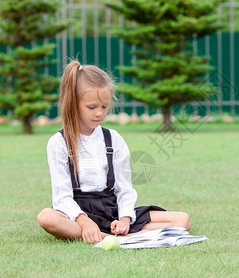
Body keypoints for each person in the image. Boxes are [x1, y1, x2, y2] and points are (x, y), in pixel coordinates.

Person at [37, 61, 191, 244]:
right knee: (46, 217)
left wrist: (125, 218)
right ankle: (113, 238)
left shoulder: (113, 139)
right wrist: (85, 222)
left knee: (182, 220)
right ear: (73, 103)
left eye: (104, 106)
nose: (99, 113)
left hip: (112, 210)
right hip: (78, 214)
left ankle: (118, 233)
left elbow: (124, 188)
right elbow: (62, 197)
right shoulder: (58, 142)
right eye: (91, 107)